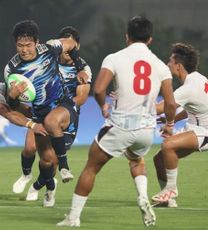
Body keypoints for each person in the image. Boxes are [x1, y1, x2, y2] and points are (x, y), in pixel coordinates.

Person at [57, 16, 176, 227]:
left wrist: (103, 105)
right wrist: (169, 125)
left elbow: (99, 89)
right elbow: (170, 102)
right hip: (146, 130)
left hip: (120, 125)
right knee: (137, 160)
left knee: (91, 167)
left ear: (127, 36)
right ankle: (142, 196)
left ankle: (73, 218)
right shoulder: (160, 65)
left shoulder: (115, 58)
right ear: (150, 39)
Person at [5, 20, 88, 207]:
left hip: (63, 105)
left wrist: (80, 66)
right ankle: (49, 187)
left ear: (36, 42)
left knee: (52, 121)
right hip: (39, 114)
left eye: (28, 45)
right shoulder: (12, 69)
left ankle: (65, 168)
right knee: (46, 161)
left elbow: (71, 44)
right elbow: (11, 104)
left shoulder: (50, 48)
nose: (24, 50)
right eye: (20, 45)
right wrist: (12, 96)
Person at [152, 43, 208, 207]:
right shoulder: (199, 78)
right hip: (197, 129)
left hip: (205, 132)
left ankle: (171, 189)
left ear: (178, 65)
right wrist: (173, 120)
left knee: (168, 145)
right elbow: (195, 108)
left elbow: (161, 108)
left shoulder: (189, 87)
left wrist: (133, 101)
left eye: (171, 60)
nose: (168, 63)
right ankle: (168, 200)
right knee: (159, 159)